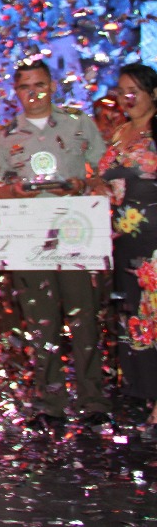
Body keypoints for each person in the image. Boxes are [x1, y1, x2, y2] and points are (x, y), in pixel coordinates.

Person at [0, 59, 111, 430]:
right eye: (25, 87)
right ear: (16, 91)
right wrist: (13, 190)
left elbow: (104, 169)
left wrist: (83, 184)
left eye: (40, 85)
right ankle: (50, 402)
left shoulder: (77, 123)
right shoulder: (7, 136)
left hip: (76, 233)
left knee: (84, 317)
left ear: (52, 86)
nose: (34, 93)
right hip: (29, 236)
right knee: (40, 321)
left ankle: (93, 400)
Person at [96, 63, 157, 433]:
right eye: (121, 91)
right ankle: (145, 394)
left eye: (134, 90)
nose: (126, 98)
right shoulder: (119, 132)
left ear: (154, 93)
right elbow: (106, 181)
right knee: (134, 318)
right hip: (123, 242)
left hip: (154, 241)